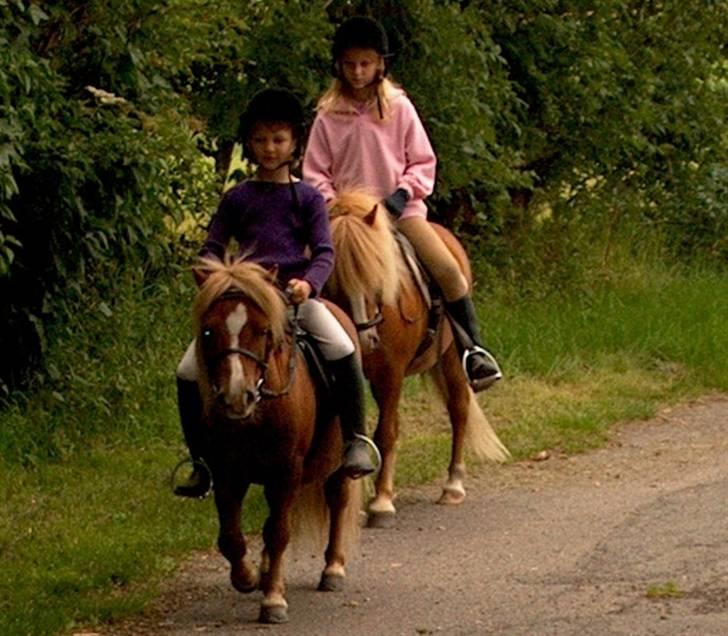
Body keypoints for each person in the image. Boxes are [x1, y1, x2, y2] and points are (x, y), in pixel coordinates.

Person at [174, 88, 376, 498]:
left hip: (293, 296)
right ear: (250, 143)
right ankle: (200, 461)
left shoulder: (308, 198)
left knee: (342, 348)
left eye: (279, 140)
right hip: (245, 300)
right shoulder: (237, 198)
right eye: (262, 140)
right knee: (187, 371)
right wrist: (211, 271)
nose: (270, 148)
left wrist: (309, 284)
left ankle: (356, 439)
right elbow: (213, 246)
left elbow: (323, 252)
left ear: (294, 144)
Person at [303, 16, 502, 393]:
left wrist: (403, 194)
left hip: (400, 212)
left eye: (365, 63)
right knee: (301, 269)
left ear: (380, 64)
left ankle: (473, 350)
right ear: (339, 66)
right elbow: (315, 172)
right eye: (350, 64)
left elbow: (423, 160)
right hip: (346, 220)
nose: (358, 72)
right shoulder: (328, 116)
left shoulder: (399, 108)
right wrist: (336, 205)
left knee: (447, 269)